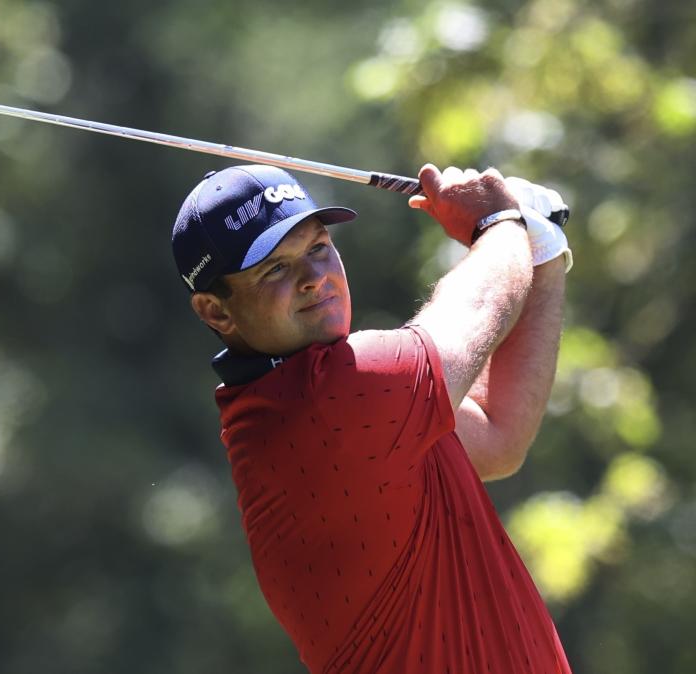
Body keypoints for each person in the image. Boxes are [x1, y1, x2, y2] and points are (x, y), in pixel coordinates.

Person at [171, 163, 573, 674]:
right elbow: (483, 304)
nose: (315, 279)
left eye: (318, 248)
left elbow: (499, 435)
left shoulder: (339, 410)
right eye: (275, 269)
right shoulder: (329, 404)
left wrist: (545, 248)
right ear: (216, 312)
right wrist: (501, 221)